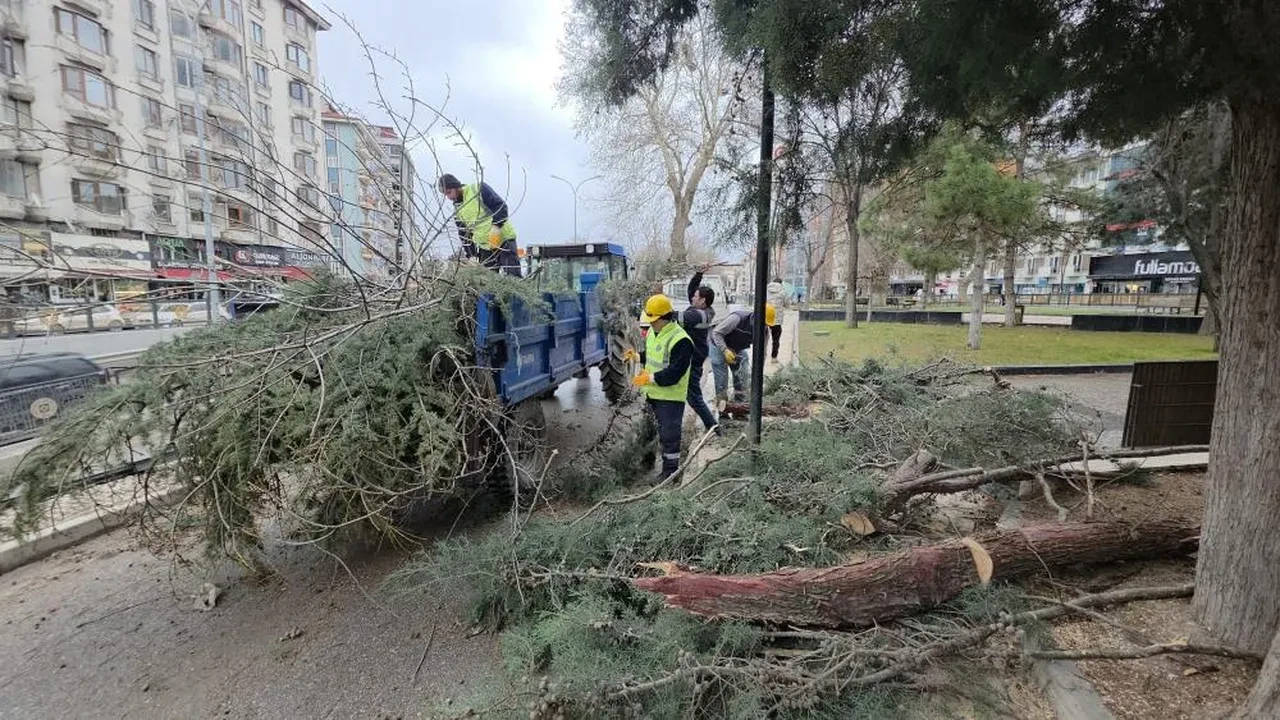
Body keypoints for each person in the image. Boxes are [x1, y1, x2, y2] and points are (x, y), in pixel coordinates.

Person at [634, 294, 694, 483]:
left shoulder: (681, 340)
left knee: (669, 436)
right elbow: (653, 354)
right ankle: (646, 464)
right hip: (652, 394)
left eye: (653, 320)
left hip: (670, 397)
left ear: (664, 317)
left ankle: (670, 473)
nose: (650, 323)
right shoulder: (655, 332)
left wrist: (648, 378)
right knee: (648, 431)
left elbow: (674, 373)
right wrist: (637, 357)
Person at [438, 173, 521, 277]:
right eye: (445, 195)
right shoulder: (457, 210)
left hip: (503, 240)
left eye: (449, 192)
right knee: (486, 282)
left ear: (456, 186)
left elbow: (500, 206)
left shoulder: (478, 190)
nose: (449, 197)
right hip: (485, 247)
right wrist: (471, 255)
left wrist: (496, 226)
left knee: (513, 277)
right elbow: (464, 235)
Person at [709, 303, 779, 404]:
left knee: (743, 376)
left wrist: (758, 373)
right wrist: (725, 350)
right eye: (763, 323)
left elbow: (762, 353)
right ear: (756, 316)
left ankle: (740, 404)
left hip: (737, 347)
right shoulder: (737, 318)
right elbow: (716, 333)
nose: (765, 326)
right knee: (721, 380)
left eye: (767, 324)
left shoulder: (764, 332)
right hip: (718, 346)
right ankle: (722, 406)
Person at [680, 264, 718, 435]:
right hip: (691, 358)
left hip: (693, 361)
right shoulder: (703, 308)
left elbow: (674, 317)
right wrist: (698, 274)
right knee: (690, 396)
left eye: (695, 297)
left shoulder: (698, 315)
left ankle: (715, 428)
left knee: (694, 398)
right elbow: (691, 290)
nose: (692, 298)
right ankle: (713, 427)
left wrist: (658, 310)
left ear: (702, 301)